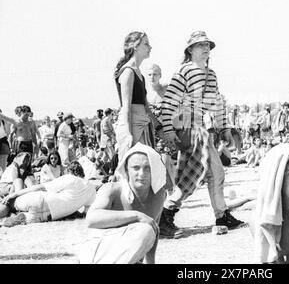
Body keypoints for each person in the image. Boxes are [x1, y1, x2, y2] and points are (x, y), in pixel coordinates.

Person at [160, 31, 244, 238]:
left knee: (204, 174)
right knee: (211, 173)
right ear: (190, 50)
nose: (205, 48)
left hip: (204, 130)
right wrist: (169, 129)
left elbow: (217, 103)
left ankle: (219, 215)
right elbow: (170, 101)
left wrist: (224, 128)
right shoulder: (184, 71)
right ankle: (168, 212)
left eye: (207, 45)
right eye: (200, 45)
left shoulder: (211, 74)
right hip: (191, 128)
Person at [78, 143, 166, 264]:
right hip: (97, 251)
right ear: (126, 170)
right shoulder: (112, 189)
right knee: (144, 230)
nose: (142, 174)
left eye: (148, 168)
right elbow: (91, 219)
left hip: (127, 257)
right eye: (136, 168)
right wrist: (136, 215)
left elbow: (153, 230)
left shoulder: (159, 195)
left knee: (147, 230)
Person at [0, 161, 96, 226]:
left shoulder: (70, 178)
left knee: (17, 184)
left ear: (70, 171)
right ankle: (17, 215)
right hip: (46, 216)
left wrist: (14, 195)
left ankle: (10, 203)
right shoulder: (91, 188)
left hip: (40, 200)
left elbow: (40, 187)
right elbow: (86, 213)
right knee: (26, 214)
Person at [113, 31, 156, 161]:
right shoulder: (128, 72)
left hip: (143, 125)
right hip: (133, 127)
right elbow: (126, 107)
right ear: (135, 46)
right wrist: (128, 134)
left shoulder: (140, 74)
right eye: (146, 44)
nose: (150, 47)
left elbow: (146, 106)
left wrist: (160, 128)